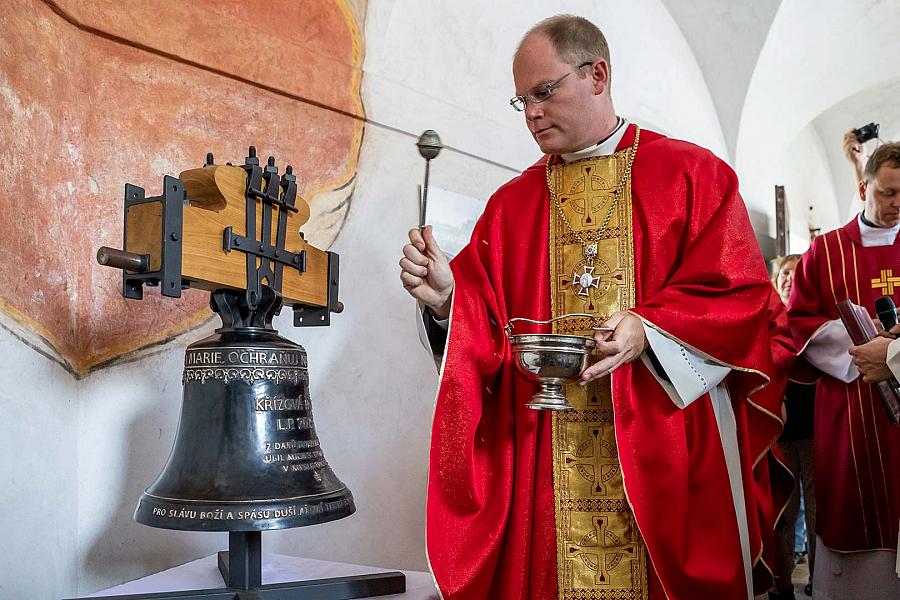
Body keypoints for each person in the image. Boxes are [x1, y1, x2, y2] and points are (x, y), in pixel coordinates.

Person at [400, 15, 786, 600]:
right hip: (549, 461)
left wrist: (649, 329)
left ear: (598, 75)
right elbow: (489, 330)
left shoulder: (694, 175)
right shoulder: (511, 206)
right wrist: (450, 300)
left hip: (665, 447)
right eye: (521, 100)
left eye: (543, 92)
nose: (530, 114)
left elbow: (742, 299)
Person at [786, 141, 900, 600]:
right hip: (851, 409)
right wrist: (859, 343)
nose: (897, 204)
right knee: (854, 519)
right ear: (862, 187)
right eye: (888, 193)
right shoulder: (826, 251)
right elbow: (797, 322)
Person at [769, 256, 817, 600]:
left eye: (795, 274)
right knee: (781, 509)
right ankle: (781, 583)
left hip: (815, 425)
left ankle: (820, 577)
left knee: (817, 508)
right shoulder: (768, 317)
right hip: (779, 427)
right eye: (784, 273)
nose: (788, 279)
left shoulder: (810, 315)